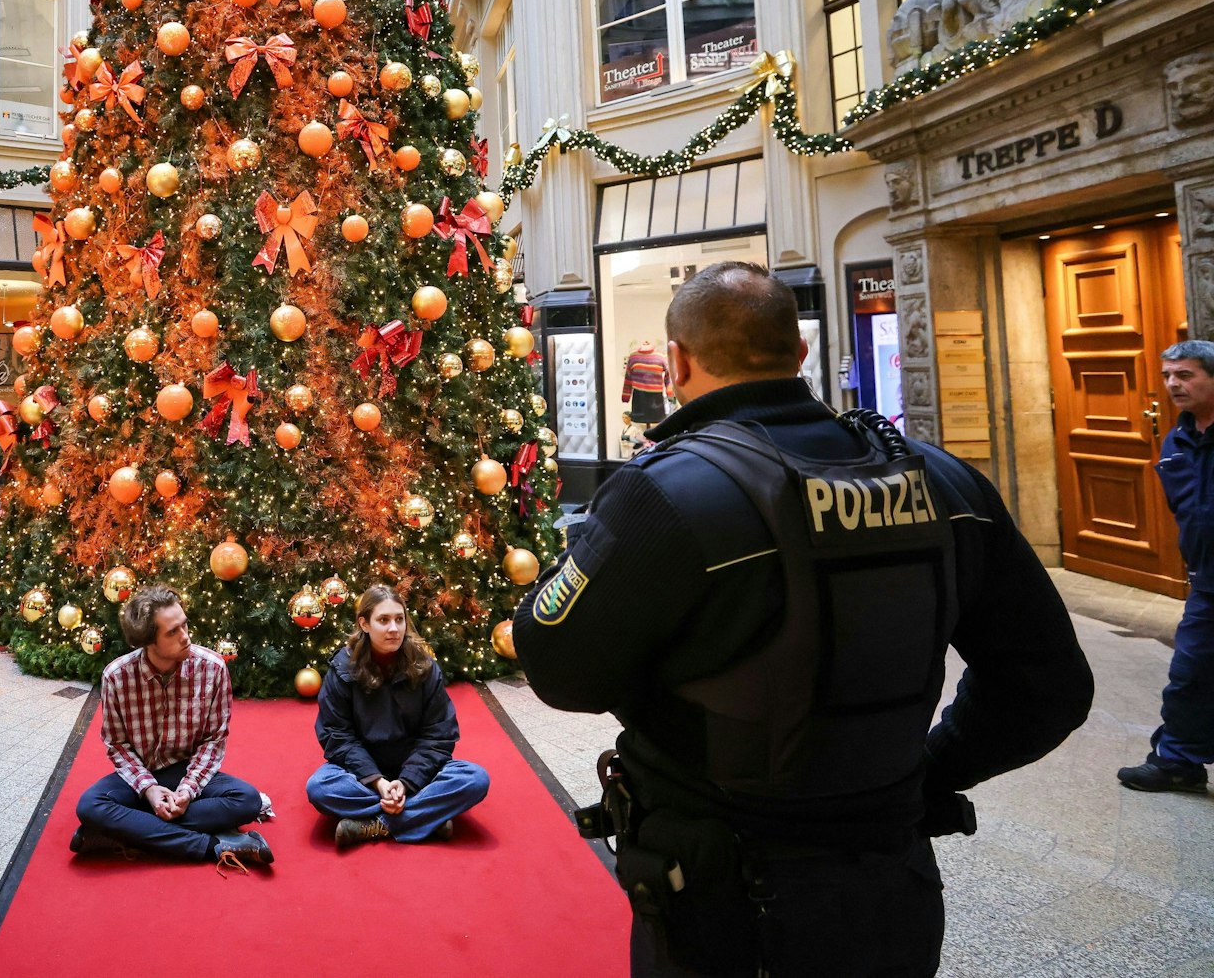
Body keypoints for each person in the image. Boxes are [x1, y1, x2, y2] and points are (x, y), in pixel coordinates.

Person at [511, 262, 1094, 977]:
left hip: (721, 891)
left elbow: (558, 667)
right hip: (893, 877)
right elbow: (1048, 684)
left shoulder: (663, 493)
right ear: (800, 352)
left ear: (678, 362)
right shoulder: (943, 480)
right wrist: (925, 773)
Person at [71, 585, 274, 871]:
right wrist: (149, 789)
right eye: (172, 632)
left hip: (188, 770)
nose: (185, 636)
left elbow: (213, 740)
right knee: (90, 806)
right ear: (148, 641)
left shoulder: (213, 668)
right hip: (141, 774)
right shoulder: (116, 677)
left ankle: (122, 830)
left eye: (184, 625)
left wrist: (188, 791)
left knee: (248, 801)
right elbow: (117, 745)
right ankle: (213, 846)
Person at [307, 584, 490, 847]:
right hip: (364, 774)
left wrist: (406, 782)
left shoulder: (425, 667)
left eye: (399, 619)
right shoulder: (342, 670)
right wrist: (379, 782)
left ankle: (376, 825)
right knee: (320, 788)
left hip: (416, 771)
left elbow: (438, 736)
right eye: (383, 620)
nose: (394, 628)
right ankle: (426, 816)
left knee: (475, 779)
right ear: (364, 624)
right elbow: (338, 737)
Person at [1121, 339, 1214, 792]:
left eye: (1185, 375)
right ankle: (1177, 761)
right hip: (1208, 580)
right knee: (1189, 672)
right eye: (1168, 376)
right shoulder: (1177, 439)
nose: (1173, 384)